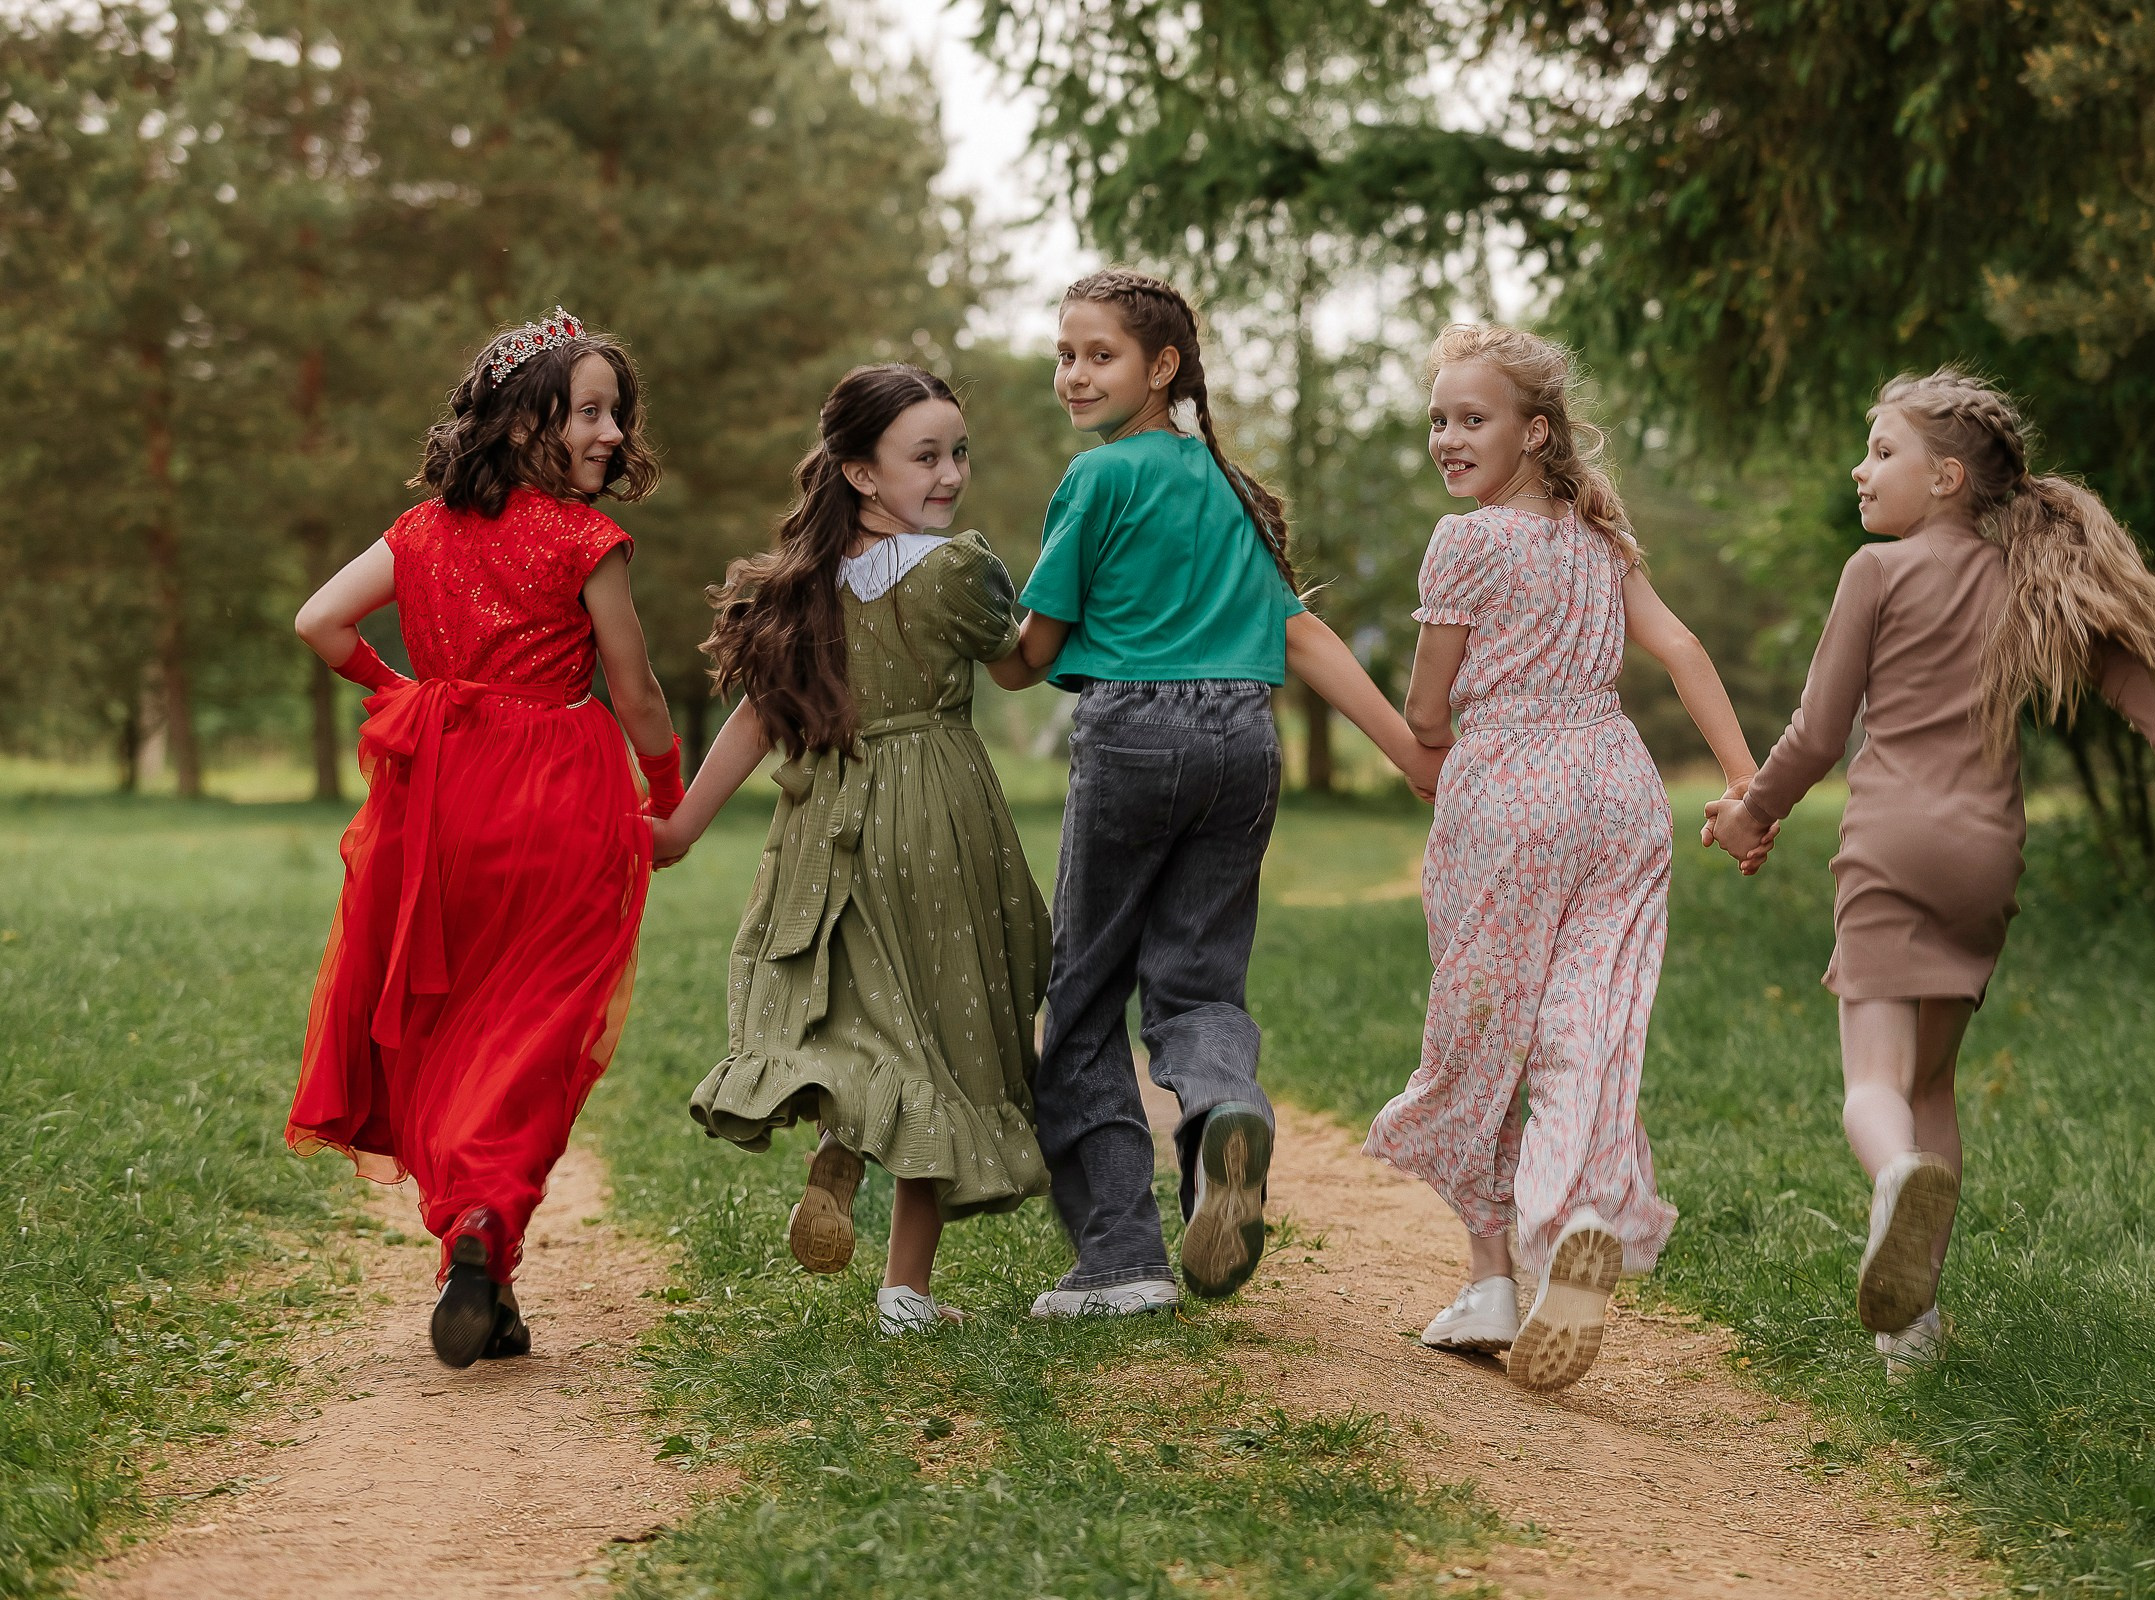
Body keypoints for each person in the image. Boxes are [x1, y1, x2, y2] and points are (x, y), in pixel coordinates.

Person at [1706, 367, 2155, 1376]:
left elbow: (1818, 733)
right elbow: (2121, 664)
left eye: (1882, 450)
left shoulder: (1877, 571)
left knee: (1874, 1082)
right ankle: (1914, 1328)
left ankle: (1895, 1177)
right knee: (1935, 1078)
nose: (1861, 470)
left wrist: (1750, 813)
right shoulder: (2023, 577)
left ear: (1946, 477)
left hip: (1893, 842)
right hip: (1986, 857)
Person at [986, 268, 1445, 1318]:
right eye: (1064, 354)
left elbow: (1029, 655)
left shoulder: (1097, 483)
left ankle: (1120, 1259)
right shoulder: (1227, 487)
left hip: (1133, 734)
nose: (1073, 374)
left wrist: (978, 628)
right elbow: (1300, 633)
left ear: (1163, 367)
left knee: (1088, 996)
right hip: (1244, 738)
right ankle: (1227, 1108)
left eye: (1098, 354)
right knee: (1198, 983)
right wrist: (1411, 756)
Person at [1364, 323, 1764, 1393]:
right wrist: (1744, 786)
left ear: (1534, 431)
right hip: (1621, 790)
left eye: (1472, 418)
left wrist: (1430, 752)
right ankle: (1574, 1218)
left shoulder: (1465, 542)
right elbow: (1679, 650)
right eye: (1440, 419)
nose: (1449, 438)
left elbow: (1423, 703)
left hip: (1509, 793)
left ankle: (1500, 1264)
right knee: (1588, 1018)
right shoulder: (1601, 537)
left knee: (1483, 1030)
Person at [288, 309, 683, 1369]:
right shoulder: (587, 542)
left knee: (449, 1028)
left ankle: (481, 1262)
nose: (610, 432)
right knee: (537, 1036)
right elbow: (635, 687)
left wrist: (405, 690)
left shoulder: (418, 533)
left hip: (444, 804)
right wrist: (669, 790)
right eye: (589, 411)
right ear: (521, 424)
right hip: (562, 799)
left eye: (616, 413)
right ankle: (481, 1225)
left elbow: (319, 623)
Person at [661, 364, 1050, 1337]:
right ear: (862, 473)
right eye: (926, 455)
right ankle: (905, 1293)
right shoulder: (956, 568)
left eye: (959, 451)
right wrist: (1068, 596)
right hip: (934, 818)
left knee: (862, 1011)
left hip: (824, 819)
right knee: (942, 1030)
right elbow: (1017, 667)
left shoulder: (804, 588)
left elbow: (756, 720)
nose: (951, 472)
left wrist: (679, 825)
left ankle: (839, 1151)